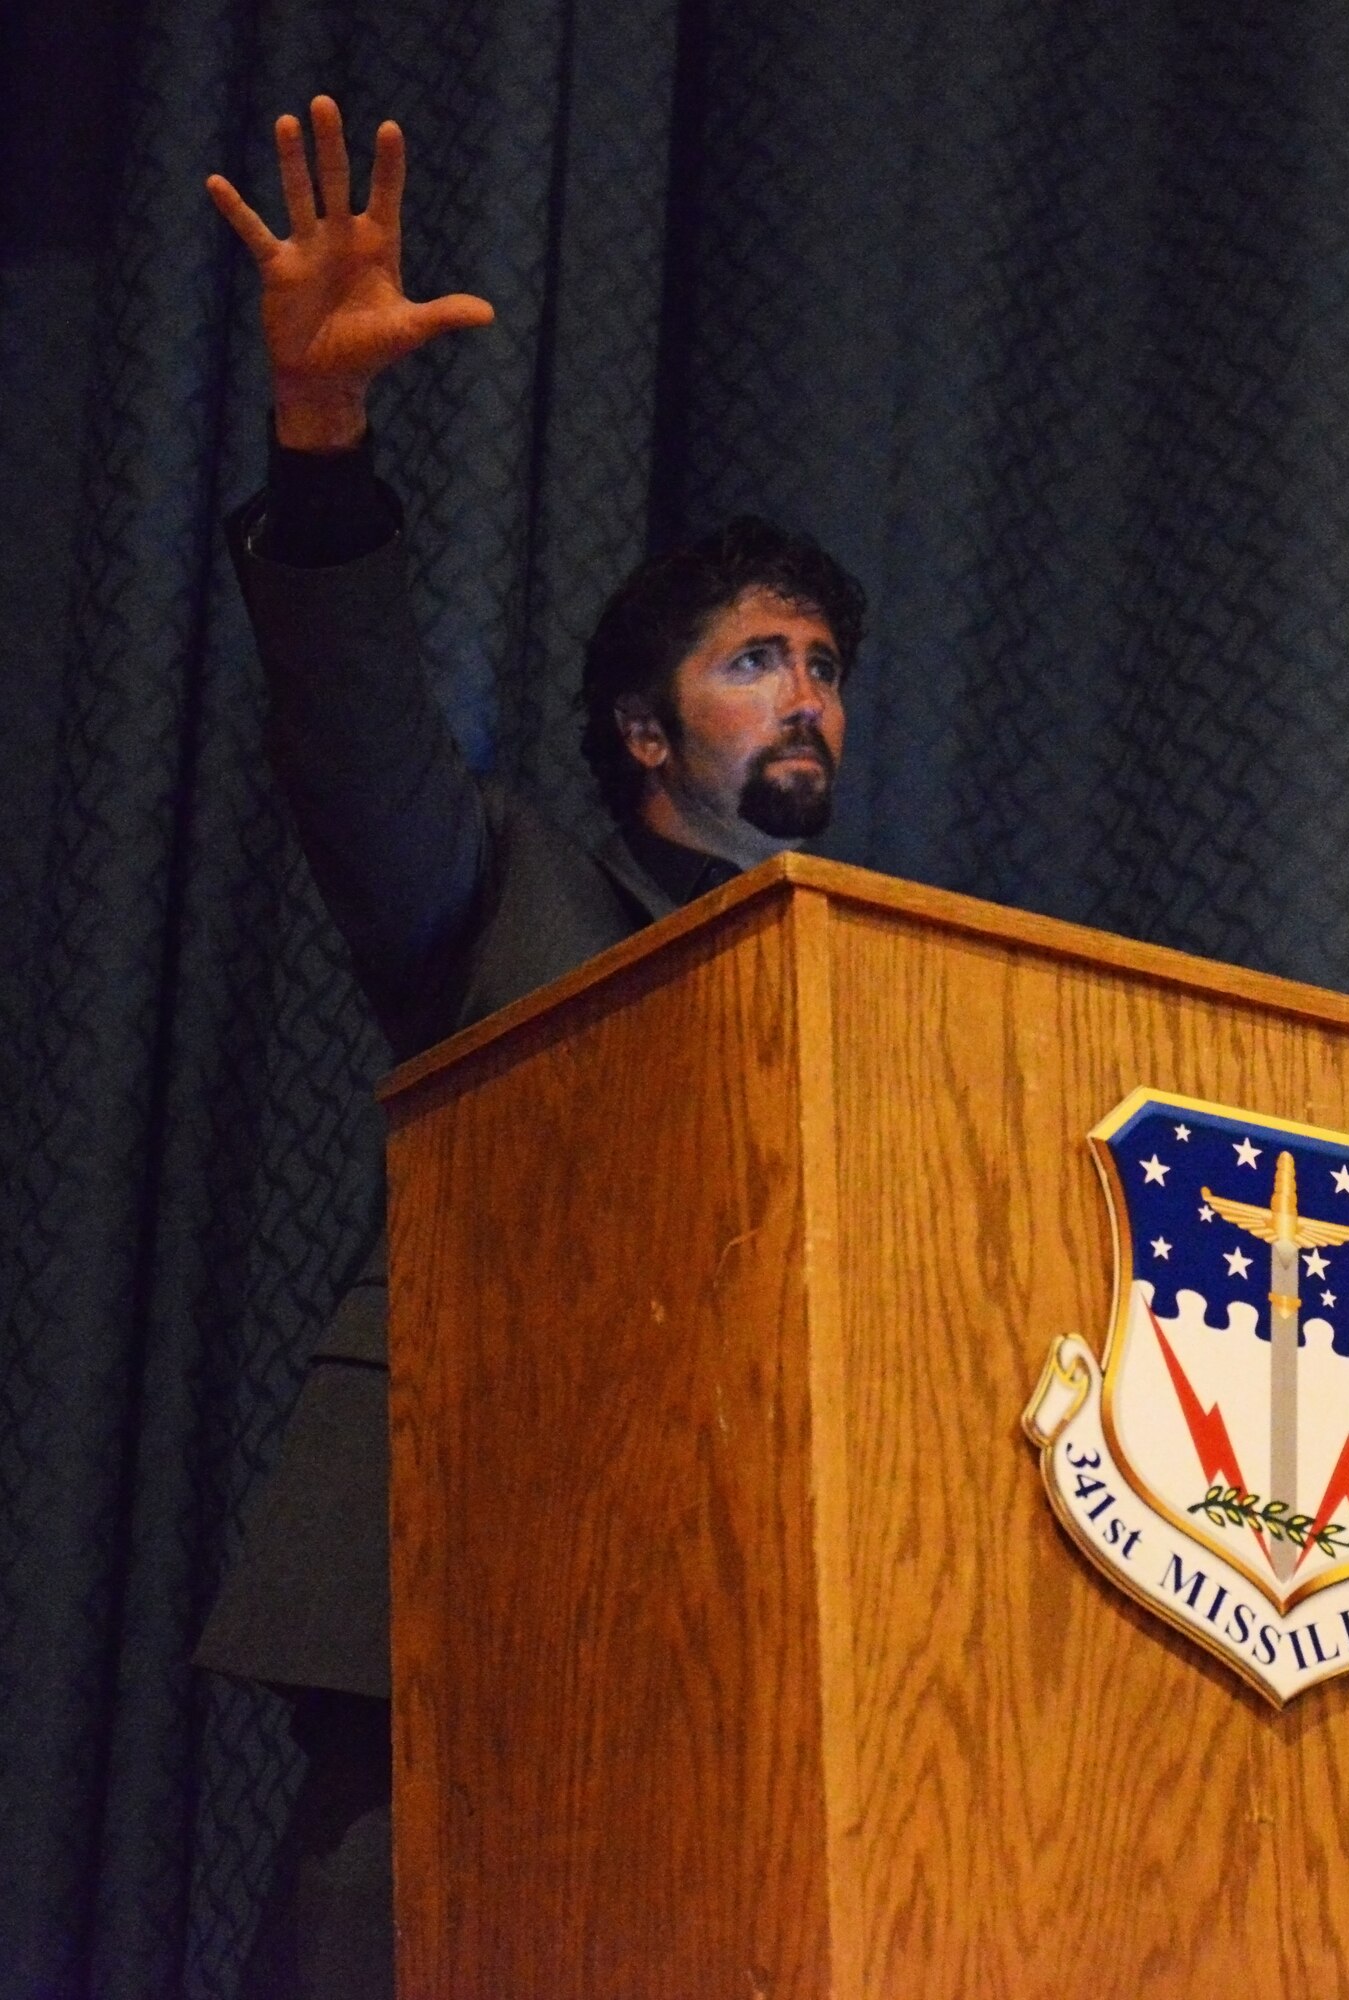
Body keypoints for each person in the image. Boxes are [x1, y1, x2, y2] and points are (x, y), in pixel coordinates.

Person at [194, 95, 865, 1999]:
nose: (805, 693)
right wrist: (322, 449)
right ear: (646, 734)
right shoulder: (508, 888)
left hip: (728, 1661)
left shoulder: (861, 1002)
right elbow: (354, 741)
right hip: (457, 1623)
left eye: (823, 666)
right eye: (755, 659)